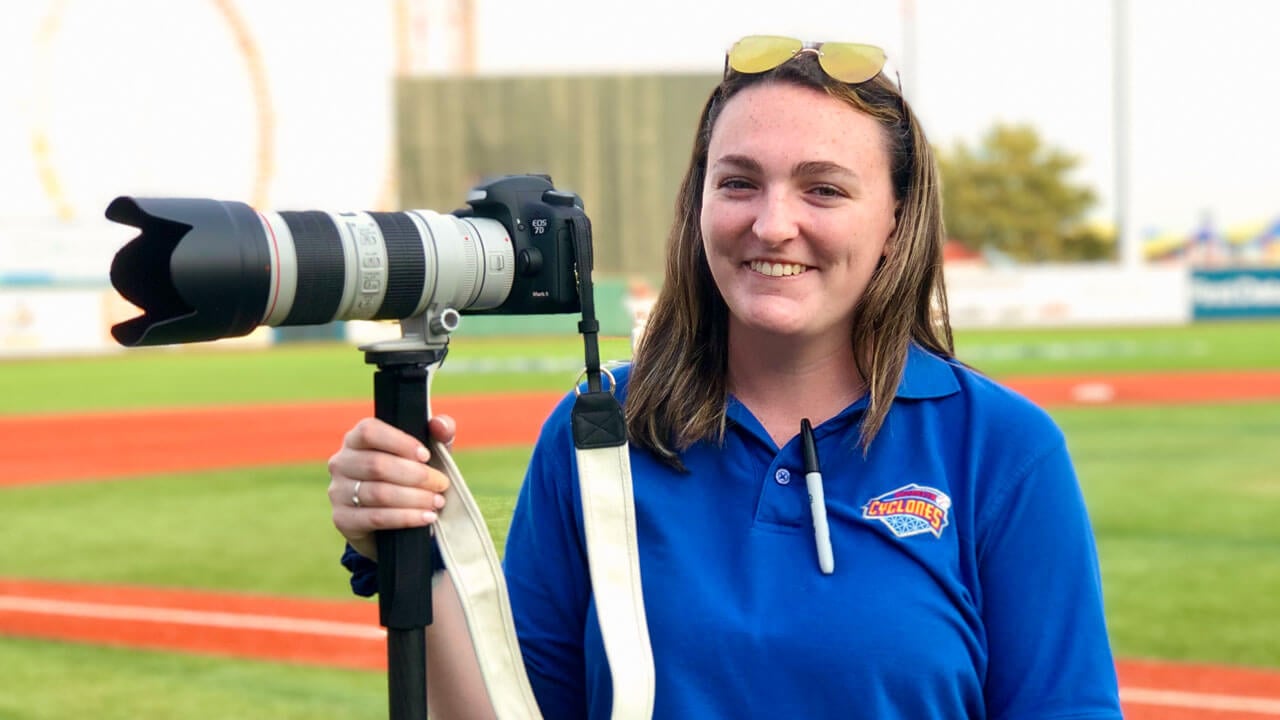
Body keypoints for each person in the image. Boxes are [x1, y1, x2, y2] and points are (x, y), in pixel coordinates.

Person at [328, 35, 1124, 719]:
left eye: (824, 188)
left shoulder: (1002, 452)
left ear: (895, 220)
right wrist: (413, 551)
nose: (772, 223)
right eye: (739, 181)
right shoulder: (595, 435)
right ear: (699, 203)